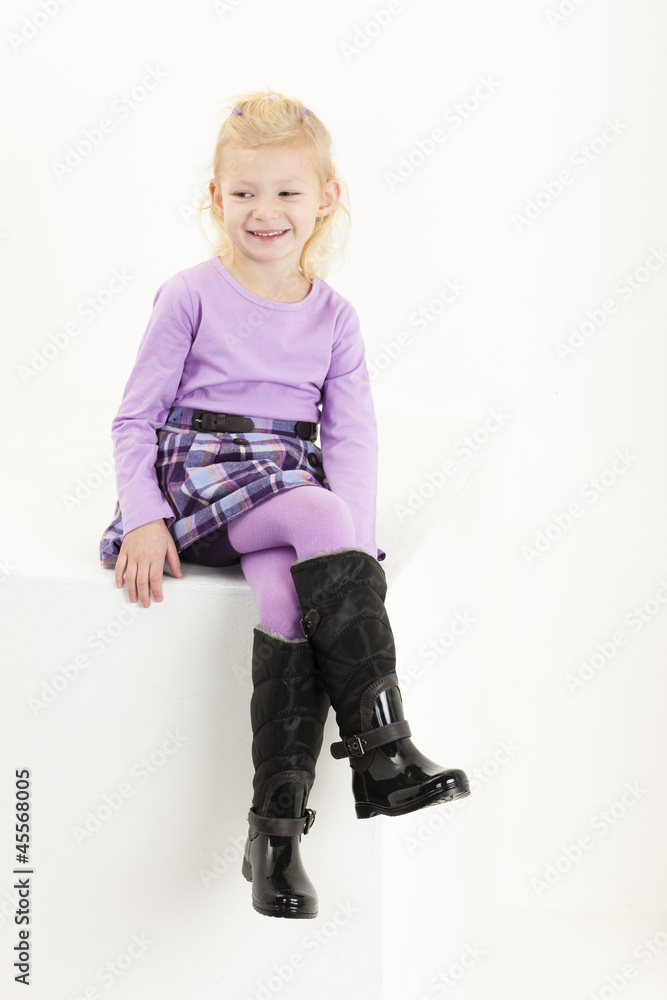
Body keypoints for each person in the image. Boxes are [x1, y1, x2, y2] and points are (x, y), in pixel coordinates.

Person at [99, 89, 470, 920]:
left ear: (326, 198)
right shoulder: (190, 294)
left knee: (284, 595)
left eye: (286, 192)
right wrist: (144, 512)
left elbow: (351, 443)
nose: (264, 211)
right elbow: (134, 416)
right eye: (243, 193)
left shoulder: (337, 320)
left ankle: (274, 834)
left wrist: (353, 558)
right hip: (200, 476)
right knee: (315, 516)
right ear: (215, 199)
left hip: (282, 480)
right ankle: (383, 753)